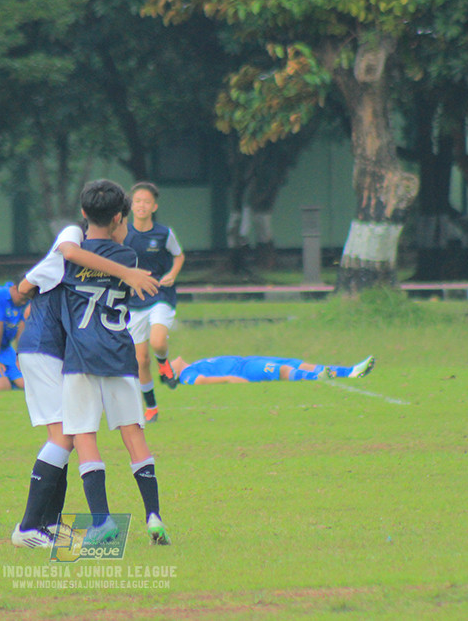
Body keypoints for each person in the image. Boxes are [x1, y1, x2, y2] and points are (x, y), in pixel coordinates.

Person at [10, 204, 160, 548]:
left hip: (55, 349)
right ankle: (29, 526)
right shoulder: (71, 242)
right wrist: (128, 272)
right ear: (116, 220)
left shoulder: (83, 252)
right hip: (42, 348)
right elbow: (23, 287)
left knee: (69, 434)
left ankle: (46, 523)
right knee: (65, 434)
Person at [60, 179, 171, 546]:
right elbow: (113, 251)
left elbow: (74, 253)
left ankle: (102, 521)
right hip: (120, 355)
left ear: (82, 214)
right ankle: (154, 516)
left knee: (84, 435)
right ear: (120, 217)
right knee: (133, 434)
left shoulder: (71, 252)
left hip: (80, 357)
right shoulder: (129, 258)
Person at [123, 182, 185, 423]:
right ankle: (151, 407)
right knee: (140, 360)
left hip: (160, 295)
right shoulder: (123, 233)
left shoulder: (163, 234)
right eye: (137, 201)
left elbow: (179, 255)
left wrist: (172, 274)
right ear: (131, 205)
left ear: (154, 206)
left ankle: (164, 364)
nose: (141, 205)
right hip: (134, 301)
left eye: (146, 202)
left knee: (158, 342)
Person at [169, 354, 375, 385]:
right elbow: (204, 381)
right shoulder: (187, 375)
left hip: (247, 360)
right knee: (282, 370)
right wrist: (232, 380)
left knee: (296, 363)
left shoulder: (193, 364)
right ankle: (317, 378)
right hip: (245, 370)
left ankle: (350, 371)